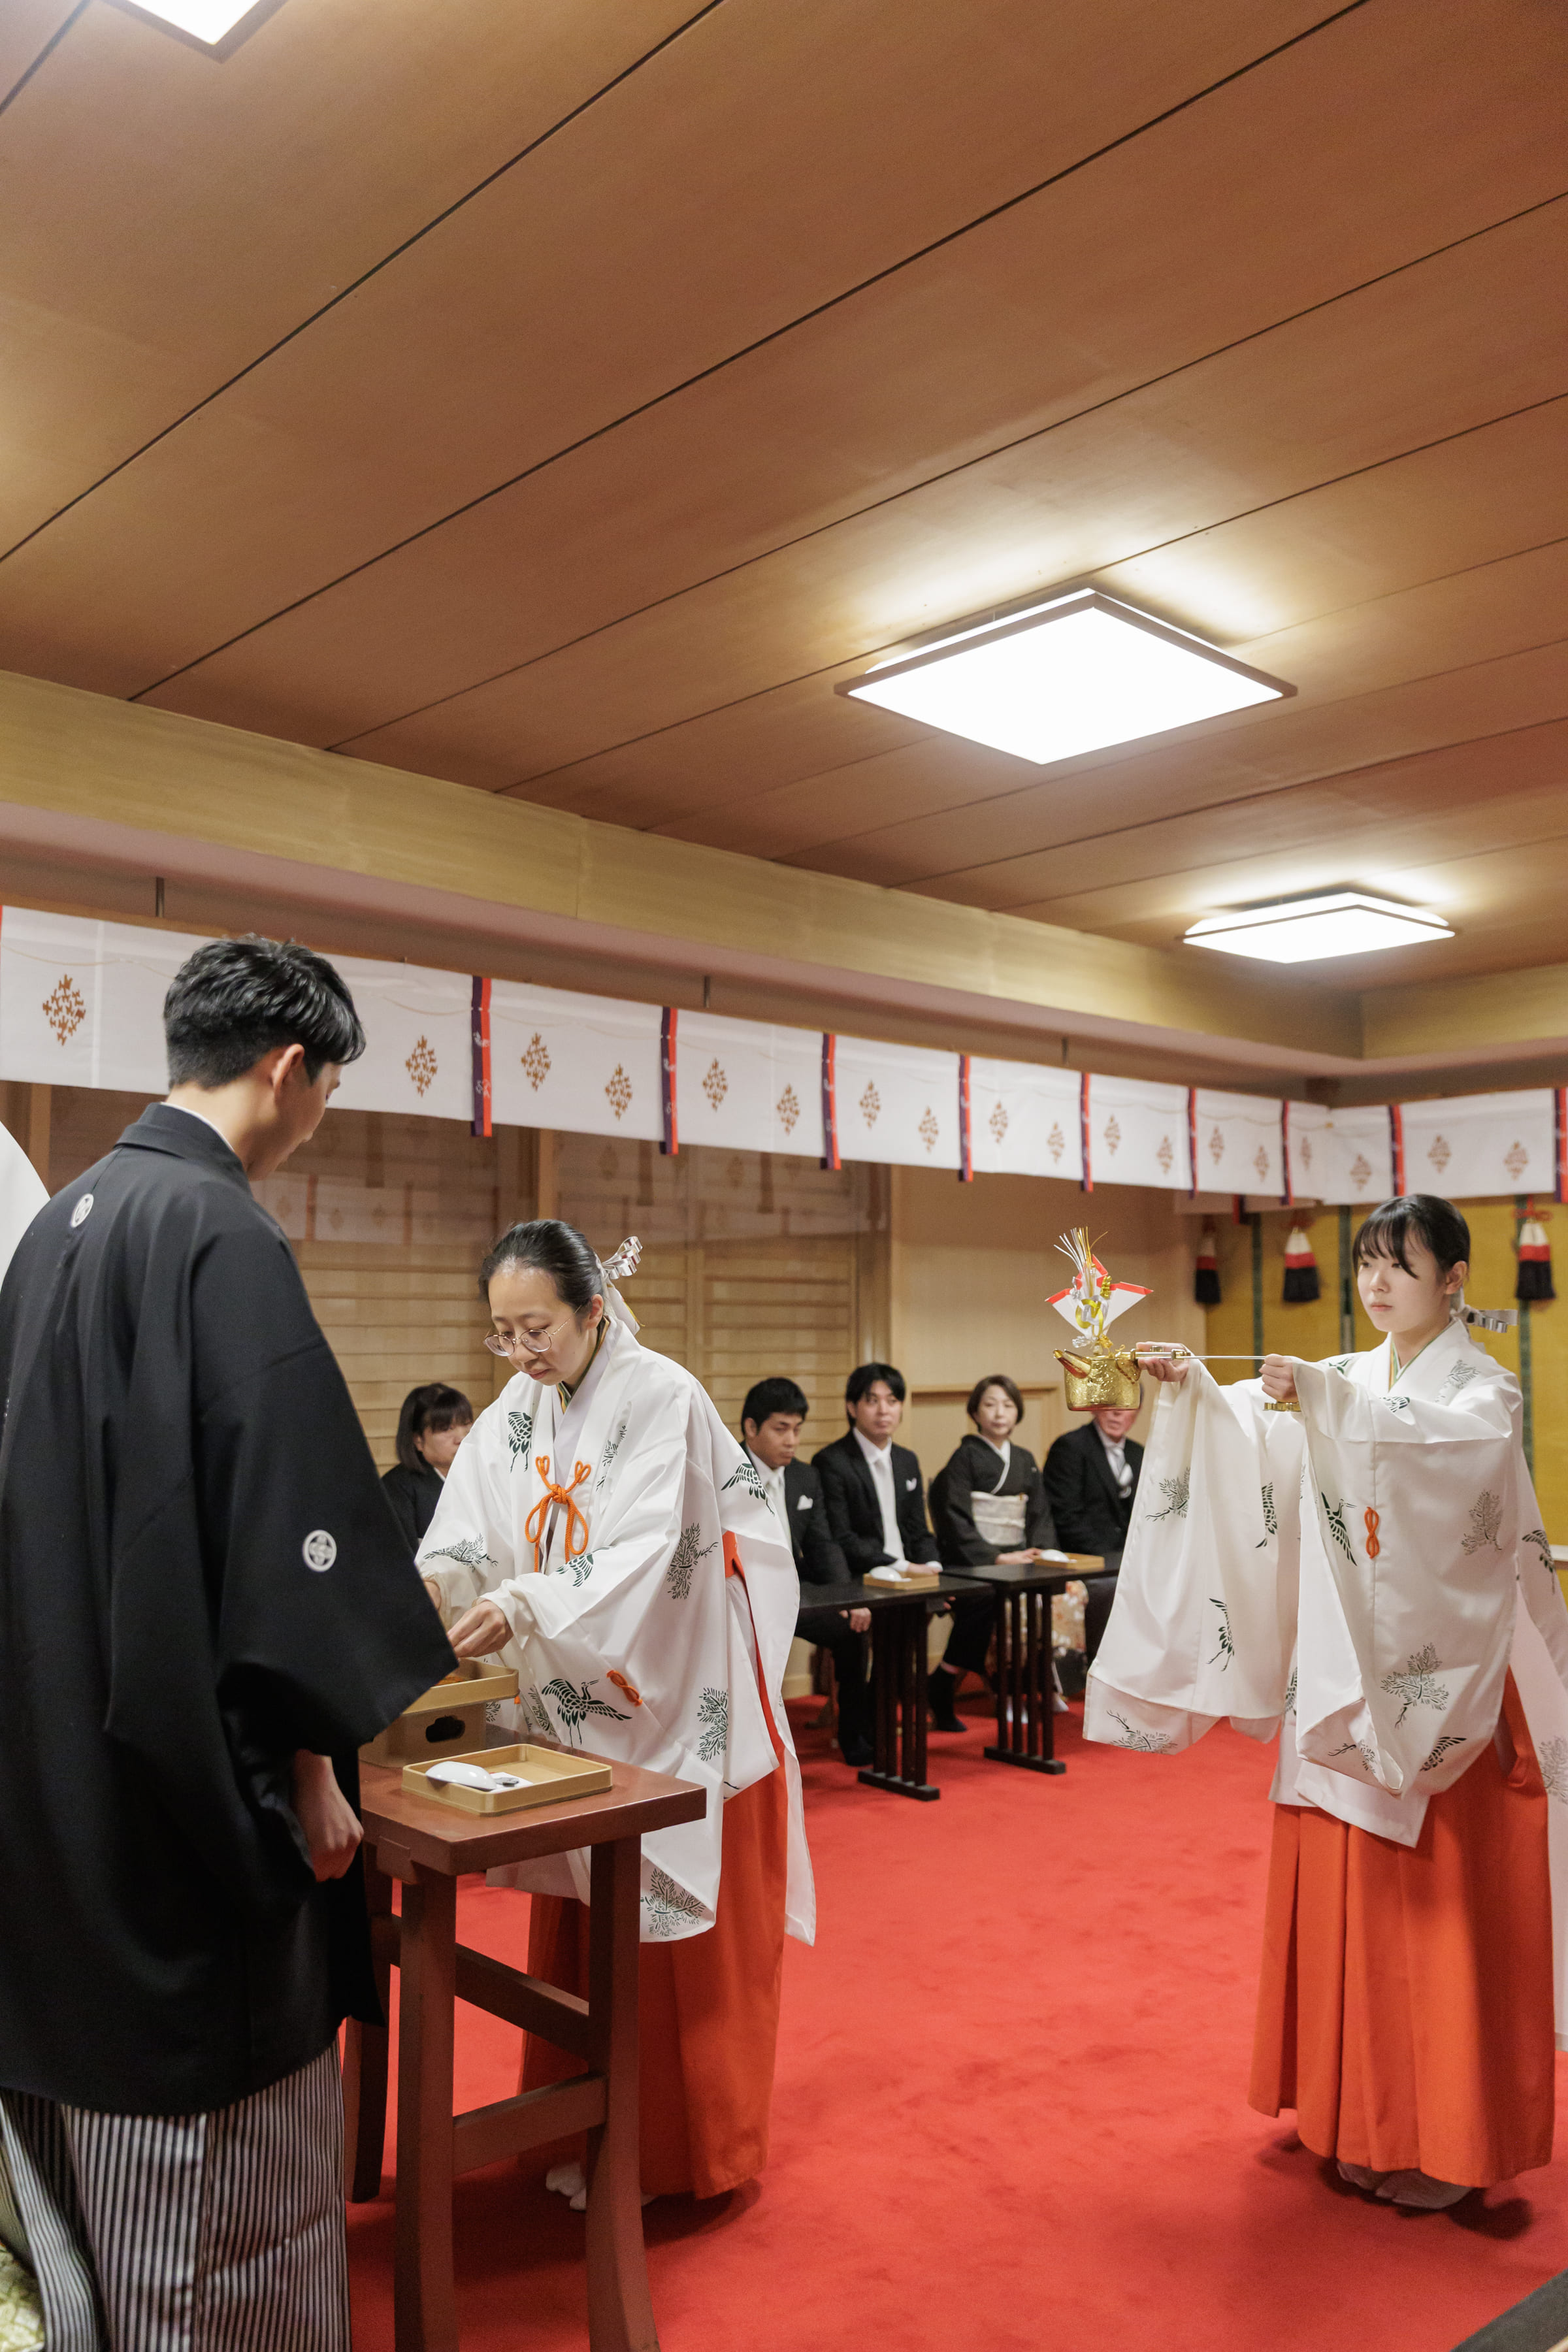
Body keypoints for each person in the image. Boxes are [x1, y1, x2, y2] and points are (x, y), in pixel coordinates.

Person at [0, 935, 454, 2349]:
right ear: (288, 1067)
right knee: (217, 2254)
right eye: (325, 1092)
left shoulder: (55, 1228)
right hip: (180, 1840)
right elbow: (284, 1549)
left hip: (48, 1811)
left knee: (80, 2240)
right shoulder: (218, 1232)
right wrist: (317, 1763)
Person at [1086, 1194, 1568, 2210]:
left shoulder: (1485, 1389)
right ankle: (1358, 2118)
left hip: (1439, 1694)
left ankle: (1443, 2141)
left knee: (1433, 1916)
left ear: (1454, 1281)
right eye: (1367, 1266)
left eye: (1402, 1264)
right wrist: (1196, 1395)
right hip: (1338, 1680)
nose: (1378, 1284)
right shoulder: (1344, 1379)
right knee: (1354, 1903)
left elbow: (1450, 1461)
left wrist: (1323, 1402)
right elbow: (1266, 1454)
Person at [416, 1220, 813, 2206]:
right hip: (584, 1691)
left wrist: (522, 1603)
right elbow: (469, 1517)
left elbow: (643, 1548)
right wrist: (444, 1579)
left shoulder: (662, 1394)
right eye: (502, 1333)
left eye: (536, 1327)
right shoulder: (521, 1404)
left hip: (680, 1679)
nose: (521, 1352)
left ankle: (687, 2157)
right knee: (590, 1906)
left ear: (594, 1309)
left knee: (675, 1919)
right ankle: (581, 2129)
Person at [813, 1362, 991, 1734]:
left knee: (980, 1597)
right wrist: (903, 1566)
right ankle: (871, 1713)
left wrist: (932, 1564)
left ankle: (933, 1688)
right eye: (872, 1401)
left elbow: (918, 1529)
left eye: (892, 1401)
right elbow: (843, 1540)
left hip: (910, 1572)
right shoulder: (832, 1462)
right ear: (852, 1407)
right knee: (897, 1615)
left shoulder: (906, 1459)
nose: (884, 1410)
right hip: (863, 1575)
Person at [742, 1375, 873, 1769]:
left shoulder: (804, 1476)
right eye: (781, 1429)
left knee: (852, 1632)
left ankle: (853, 1735)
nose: (792, 1441)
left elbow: (823, 1544)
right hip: (743, 1593)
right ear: (751, 1427)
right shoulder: (724, 1474)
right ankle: (752, 1750)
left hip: (796, 1590)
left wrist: (846, 1598)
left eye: (797, 1430)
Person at [1043, 1397, 1143, 1665]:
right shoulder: (1070, 1447)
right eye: (1111, 1403)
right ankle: (1104, 1667)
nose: (1117, 1412)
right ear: (1096, 1406)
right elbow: (1066, 1517)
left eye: (1127, 1404)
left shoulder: (1140, 1454)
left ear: (1137, 1411)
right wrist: (1113, 1560)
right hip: (1085, 1558)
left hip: (1129, 1558)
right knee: (1109, 1586)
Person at [930, 1374, 1057, 1566]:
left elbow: (1039, 1514)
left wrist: (1041, 1551)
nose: (1000, 1414)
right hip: (978, 1562)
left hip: (1021, 1557)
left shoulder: (1025, 1459)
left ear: (1018, 1413)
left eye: (1008, 1406)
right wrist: (996, 1558)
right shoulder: (964, 1457)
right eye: (990, 1405)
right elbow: (955, 1517)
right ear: (975, 1413)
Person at [382, 1380, 474, 1548]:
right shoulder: (396, 1488)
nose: (461, 1438)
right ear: (418, 1440)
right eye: (446, 1429)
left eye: (466, 1425)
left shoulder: (483, 1476)